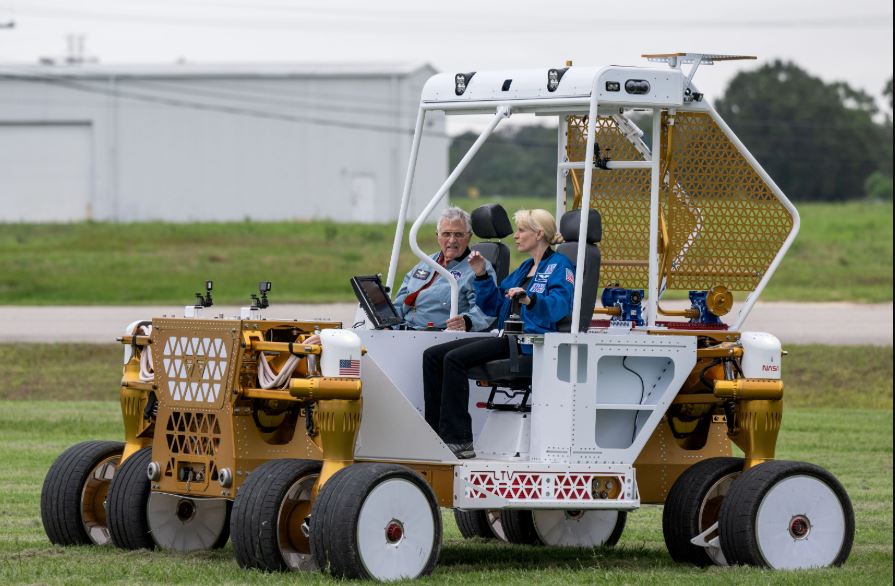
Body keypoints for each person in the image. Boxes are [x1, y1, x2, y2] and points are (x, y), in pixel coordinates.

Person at [422, 209, 575, 459]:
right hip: (507, 336)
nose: (516, 236)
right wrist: (481, 274)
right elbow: (494, 306)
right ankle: (434, 433)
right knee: (433, 356)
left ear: (538, 234)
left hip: (529, 342)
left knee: (454, 359)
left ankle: (459, 439)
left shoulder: (560, 266)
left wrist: (529, 299)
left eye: (522, 230)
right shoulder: (525, 267)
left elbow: (560, 305)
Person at [392, 207, 496, 332]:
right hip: (403, 331)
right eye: (446, 234)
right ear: (438, 236)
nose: (452, 240)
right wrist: (388, 325)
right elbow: (399, 302)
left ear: (469, 237)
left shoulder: (479, 267)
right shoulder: (426, 262)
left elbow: (486, 310)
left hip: (439, 335)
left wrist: (466, 322)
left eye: (459, 234)